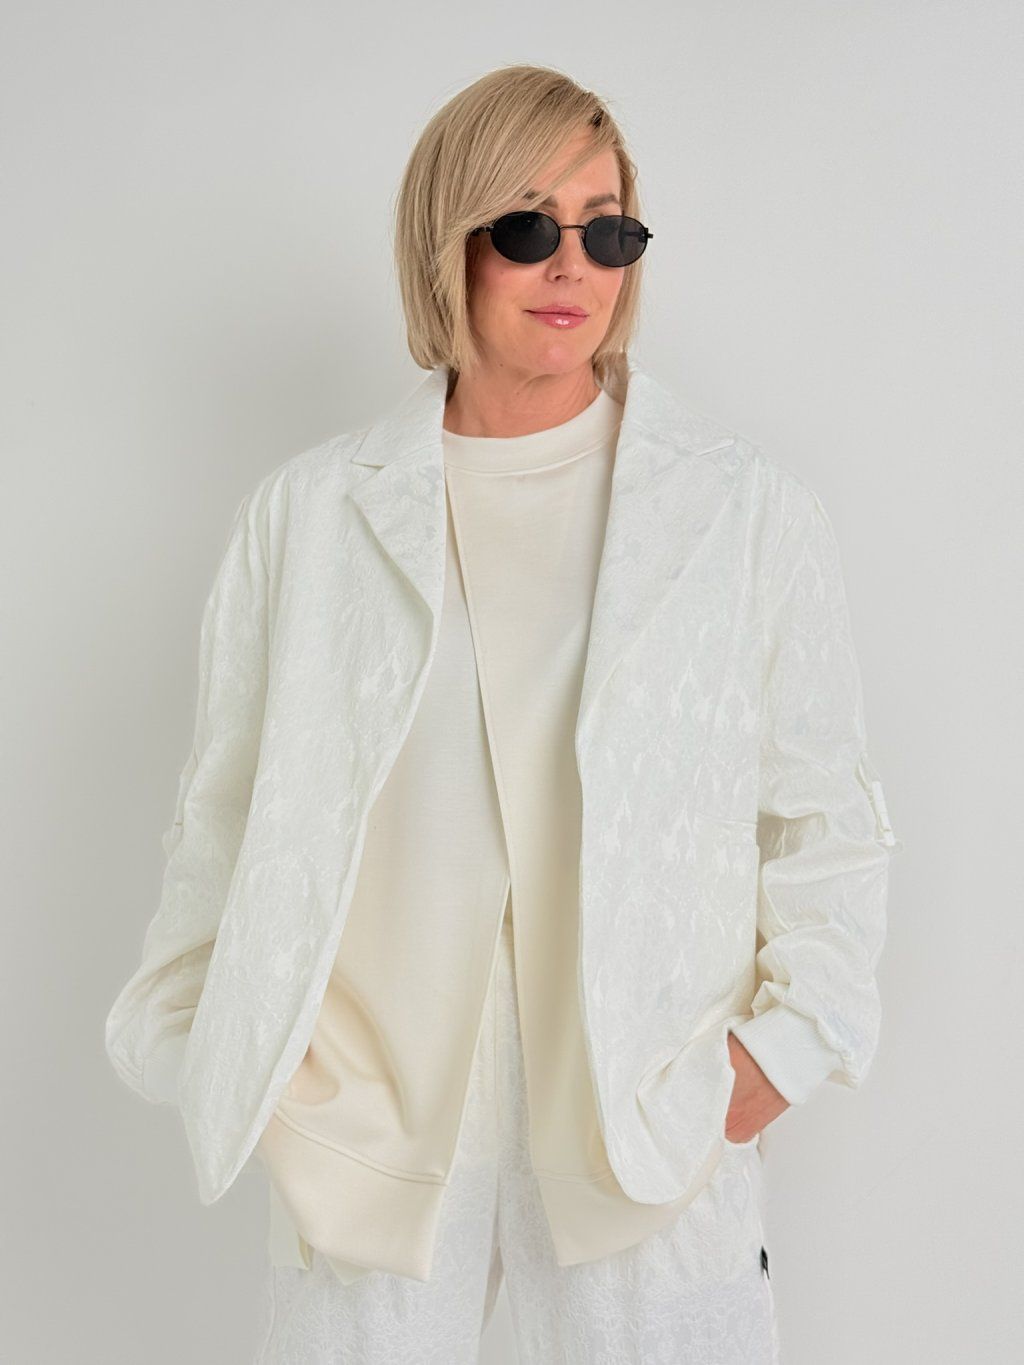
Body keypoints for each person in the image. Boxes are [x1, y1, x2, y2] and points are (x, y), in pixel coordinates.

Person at [105, 64, 901, 1364]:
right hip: (368, 1119)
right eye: (528, 226)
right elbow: (225, 816)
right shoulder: (309, 518)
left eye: (608, 230)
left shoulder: (743, 514)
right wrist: (230, 1054)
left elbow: (827, 817)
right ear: (450, 243)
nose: (572, 263)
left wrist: (777, 1057)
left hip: (644, 1119)